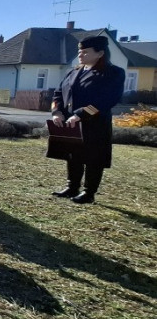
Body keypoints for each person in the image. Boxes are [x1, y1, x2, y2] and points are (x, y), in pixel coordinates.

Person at [49, 35, 125, 204]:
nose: (80, 55)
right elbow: (58, 93)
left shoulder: (113, 73)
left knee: (93, 157)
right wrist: (57, 111)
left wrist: (81, 114)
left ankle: (89, 192)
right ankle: (72, 187)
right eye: (79, 52)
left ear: (100, 53)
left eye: (85, 52)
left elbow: (108, 99)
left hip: (95, 124)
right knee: (73, 155)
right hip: (70, 122)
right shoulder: (74, 71)